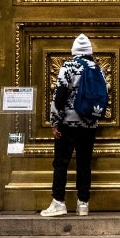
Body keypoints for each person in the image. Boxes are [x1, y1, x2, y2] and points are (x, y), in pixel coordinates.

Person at [40, 33, 103, 217]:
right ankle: (83, 203)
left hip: (68, 123)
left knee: (61, 163)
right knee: (84, 164)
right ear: (89, 51)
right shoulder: (97, 68)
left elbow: (59, 96)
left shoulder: (68, 66)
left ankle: (58, 202)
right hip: (89, 124)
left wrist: (54, 122)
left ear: (74, 51)